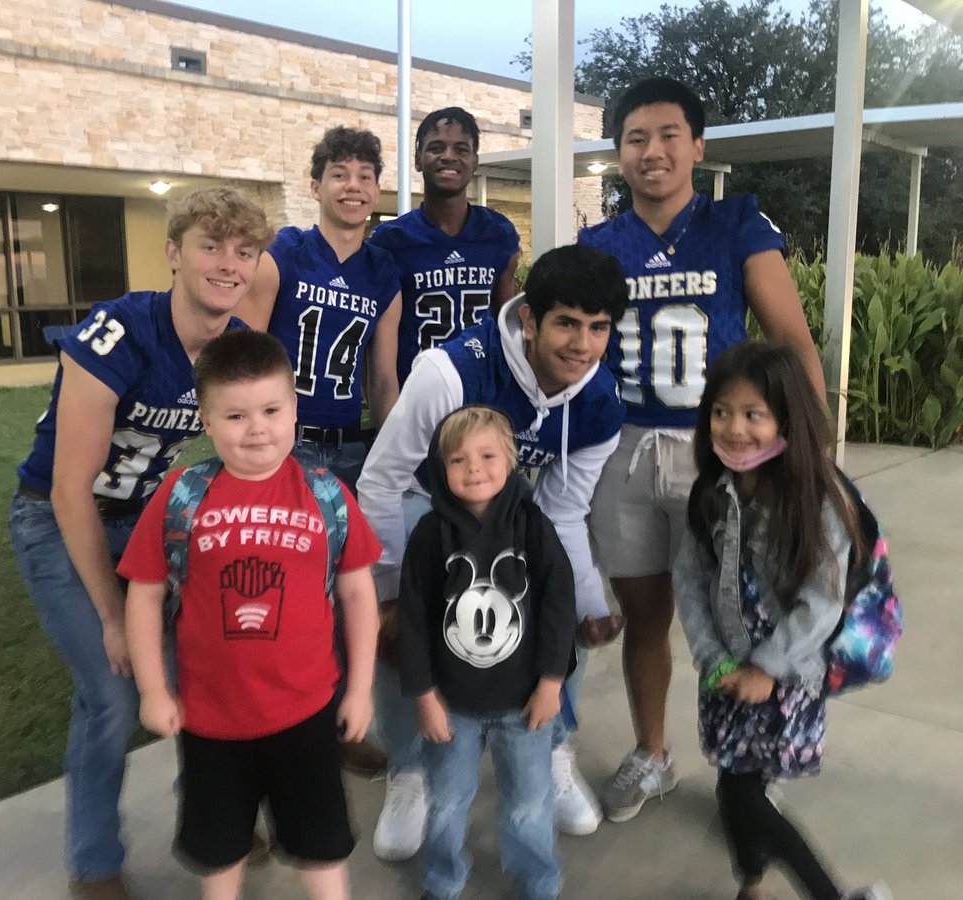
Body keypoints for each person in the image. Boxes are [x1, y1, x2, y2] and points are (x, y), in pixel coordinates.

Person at [7, 188, 272, 898]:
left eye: (244, 252)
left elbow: (242, 447)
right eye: (211, 246)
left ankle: (209, 820)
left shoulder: (233, 346)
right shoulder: (119, 333)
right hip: (57, 518)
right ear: (174, 252)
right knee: (111, 696)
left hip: (143, 515)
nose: (228, 264)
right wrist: (115, 615)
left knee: (202, 672)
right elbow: (69, 491)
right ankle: (93, 862)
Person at [577, 76, 826, 823]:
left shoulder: (737, 224)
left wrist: (817, 460)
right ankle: (653, 753)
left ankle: (751, 768)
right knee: (647, 613)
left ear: (698, 146)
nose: (651, 152)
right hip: (622, 445)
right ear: (618, 153)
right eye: (635, 139)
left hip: (718, 448)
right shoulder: (600, 244)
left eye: (667, 136)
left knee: (747, 616)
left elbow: (793, 343)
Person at [356, 245, 629, 860]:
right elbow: (380, 483)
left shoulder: (601, 402)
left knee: (560, 598)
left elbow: (563, 511)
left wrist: (587, 603)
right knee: (405, 625)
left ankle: (554, 748)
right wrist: (394, 594)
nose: (582, 344)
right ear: (530, 319)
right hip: (421, 499)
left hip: (509, 507)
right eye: (566, 322)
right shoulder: (448, 372)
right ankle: (410, 772)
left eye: (598, 328)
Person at [119, 330, 380, 900]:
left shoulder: (325, 494)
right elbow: (144, 593)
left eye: (270, 410)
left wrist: (360, 690)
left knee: (322, 846)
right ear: (207, 422)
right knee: (221, 851)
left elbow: (358, 595)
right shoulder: (183, 495)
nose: (257, 428)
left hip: (307, 711)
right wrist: (152, 690)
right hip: (212, 719)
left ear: (293, 410)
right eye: (235, 416)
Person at [674, 341, 891, 900]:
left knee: (746, 794)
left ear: (787, 418)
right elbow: (691, 583)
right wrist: (710, 656)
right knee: (733, 787)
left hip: (787, 676)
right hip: (725, 670)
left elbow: (823, 602)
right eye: (721, 412)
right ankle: (752, 883)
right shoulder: (710, 494)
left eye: (754, 415)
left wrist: (768, 667)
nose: (734, 429)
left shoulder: (817, 498)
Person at [400, 405, 575, 900]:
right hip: (452, 705)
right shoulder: (429, 535)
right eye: (458, 460)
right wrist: (424, 695)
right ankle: (441, 881)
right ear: (440, 469)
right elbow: (413, 620)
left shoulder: (532, 525)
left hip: (524, 705)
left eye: (486, 456)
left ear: (511, 460)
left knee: (529, 805)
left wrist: (551, 683)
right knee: (447, 802)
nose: (473, 468)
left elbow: (560, 606)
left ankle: (538, 883)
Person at [237, 125, 402, 491]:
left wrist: (394, 454)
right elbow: (243, 356)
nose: (353, 186)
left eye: (365, 176)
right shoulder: (286, 253)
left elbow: (383, 380)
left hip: (353, 447)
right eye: (339, 175)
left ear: (376, 190)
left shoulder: (383, 273)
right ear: (315, 187)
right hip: (285, 443)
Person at [369, 106, 521, 387]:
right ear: (417, 159)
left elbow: (505, 324)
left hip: (479, 393)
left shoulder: (498, 233)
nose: (449, 157)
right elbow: (378, 344)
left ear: (475, 161)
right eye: (436, 147)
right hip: (416, 393)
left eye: (461, 149)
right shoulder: (390, 240)